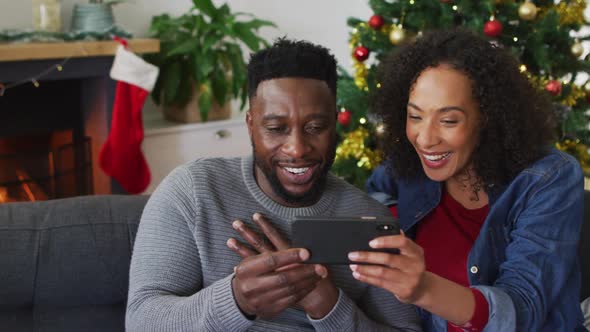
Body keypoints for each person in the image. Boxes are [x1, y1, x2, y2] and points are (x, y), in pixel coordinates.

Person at [125, 38, 421, 331]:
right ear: (251, 124)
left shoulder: (368, 217)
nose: (297, 149)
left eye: (315, 128)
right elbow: (140, 321)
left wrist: (328, 306)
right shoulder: (193, 191)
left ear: (335, 123)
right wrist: (237, 300)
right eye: (276, 129)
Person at [349, 28, 586, 331]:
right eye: (415, 116)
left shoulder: (549, 178)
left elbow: (524, 309)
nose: (425, 138)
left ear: (486, 117)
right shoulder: (398, 171)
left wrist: (423, 288)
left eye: (448, 120)